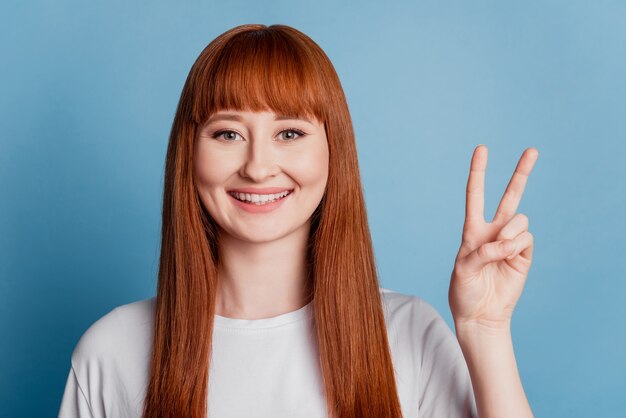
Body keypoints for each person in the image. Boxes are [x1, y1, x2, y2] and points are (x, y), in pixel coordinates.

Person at [58, 24, 538, 418]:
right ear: (190, 154)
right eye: (227, 132)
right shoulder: (111, 351)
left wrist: (484, 328)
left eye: (290, 132)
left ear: (334, 151)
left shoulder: (409, 334)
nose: (258, 165)